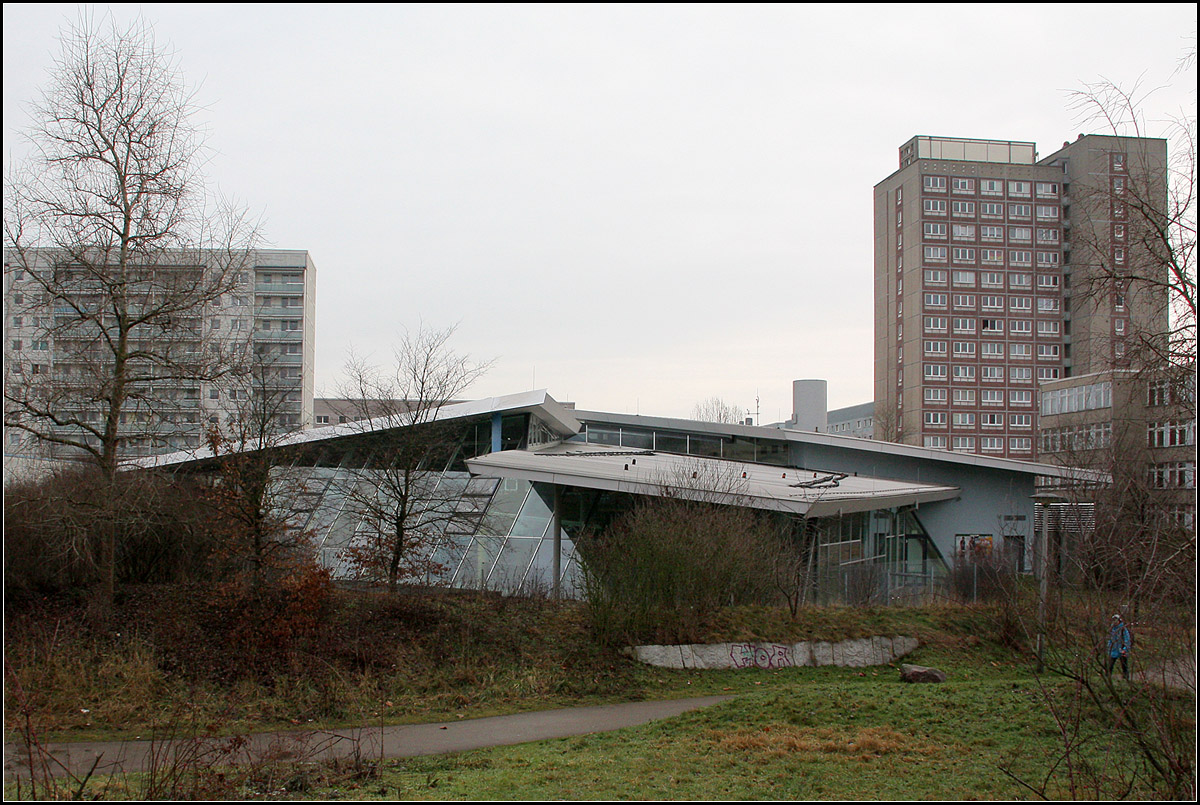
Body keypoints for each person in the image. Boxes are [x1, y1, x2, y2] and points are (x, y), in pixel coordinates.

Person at [1107, 613, 1131, 682]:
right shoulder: (1112, 629)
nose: (1115, 622)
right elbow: (1110, 639)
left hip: (1122, 650)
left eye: (1116, 620)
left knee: (1124, 665)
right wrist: (1109, 647)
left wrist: (1125, 649)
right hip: (1114, 650)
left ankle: (1126, 678)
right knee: (1110, 665)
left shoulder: (1123, 629)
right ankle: (1108, 678)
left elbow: (1127, 639)